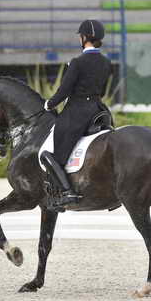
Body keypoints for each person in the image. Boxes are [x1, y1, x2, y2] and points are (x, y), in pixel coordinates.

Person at [41, 19, 113, 207]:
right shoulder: (106, 62)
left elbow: (64, 90)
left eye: (81, 36)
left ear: (84, 38)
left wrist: (50, 104)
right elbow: (103, 91)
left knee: (53, 155)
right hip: (98, 110)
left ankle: (66, 191)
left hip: (78, 112)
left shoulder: (77, 62)